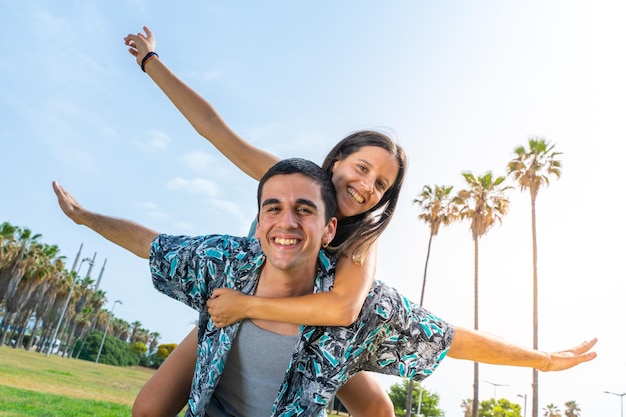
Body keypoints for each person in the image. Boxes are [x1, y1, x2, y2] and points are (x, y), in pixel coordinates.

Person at [53, 159, 597, 417]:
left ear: (331, 225)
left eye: (305, 211)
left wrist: (542, 361)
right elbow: (152, 243)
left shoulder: (358, 305)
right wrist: (85, 219)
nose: (286, 222)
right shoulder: (227, 263)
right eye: (273, 208)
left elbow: (449, 337)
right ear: (258, 217)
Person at [124, 26, 406, 417]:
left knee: (377, 405)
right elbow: (214, 129)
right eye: (361, 167)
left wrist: (248, 306)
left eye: (380, 185)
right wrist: (150, 62)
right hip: (235, 312)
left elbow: (342, 309)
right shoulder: (291, 181)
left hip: (304, 335)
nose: (365, 186)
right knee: (149, 408)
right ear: (338, 158)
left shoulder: (360, 243)